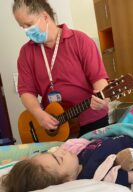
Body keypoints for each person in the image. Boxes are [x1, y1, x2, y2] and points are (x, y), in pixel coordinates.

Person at [13, 0, 109, 136]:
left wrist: (102, 99)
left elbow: (99, 79)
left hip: (92, 122)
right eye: (22, 27)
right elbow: (26, 91)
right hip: (57, 127)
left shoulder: (81, 40)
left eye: (28, 24)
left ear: (45, 16)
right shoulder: (26, 52)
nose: (27, 31)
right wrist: (39, 114)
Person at [1, 134, 133, 192]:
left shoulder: (78, 156)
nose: (60, 150)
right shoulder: (98, 176)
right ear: (67, 180)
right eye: (58, 158)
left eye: (52, 152)